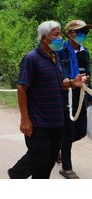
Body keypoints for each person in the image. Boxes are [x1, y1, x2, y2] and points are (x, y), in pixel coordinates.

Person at [7, 20, 87, 179]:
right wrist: (25, 119)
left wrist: (72, 83)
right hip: (38, 120)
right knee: (40, 153)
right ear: (44, 38)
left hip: (57, 119)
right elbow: (22, 88)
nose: (60, 38)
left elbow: (57, 84)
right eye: (56, 35)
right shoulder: (31, 58)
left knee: (50, 158)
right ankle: (16, 174)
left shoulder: (56, 57)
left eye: (59, 34)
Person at [57, 20, 92, 179]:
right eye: (80, 31)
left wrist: (89, 96)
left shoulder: (85, 52)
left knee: (80, 131)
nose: (84, 34)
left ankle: (57, 147)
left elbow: (88, 75)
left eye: (85, 31)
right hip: (66, 95)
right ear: (70, 34)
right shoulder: (60, 50)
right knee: (69, 133)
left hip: (81, 97)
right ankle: (66, 167)